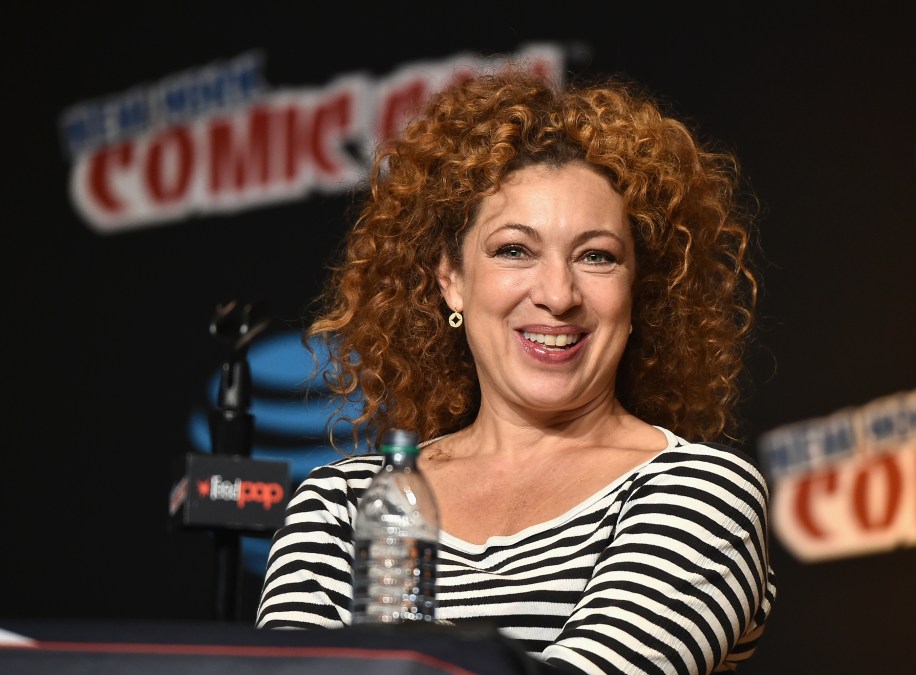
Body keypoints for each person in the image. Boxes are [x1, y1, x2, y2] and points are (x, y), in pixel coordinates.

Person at [256, 62, 777, 674]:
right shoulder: (342, 503)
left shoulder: (700, 493)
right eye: (513, 250)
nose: (558, 294)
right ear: (451, 281)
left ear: (638, 294)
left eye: (597, 257)